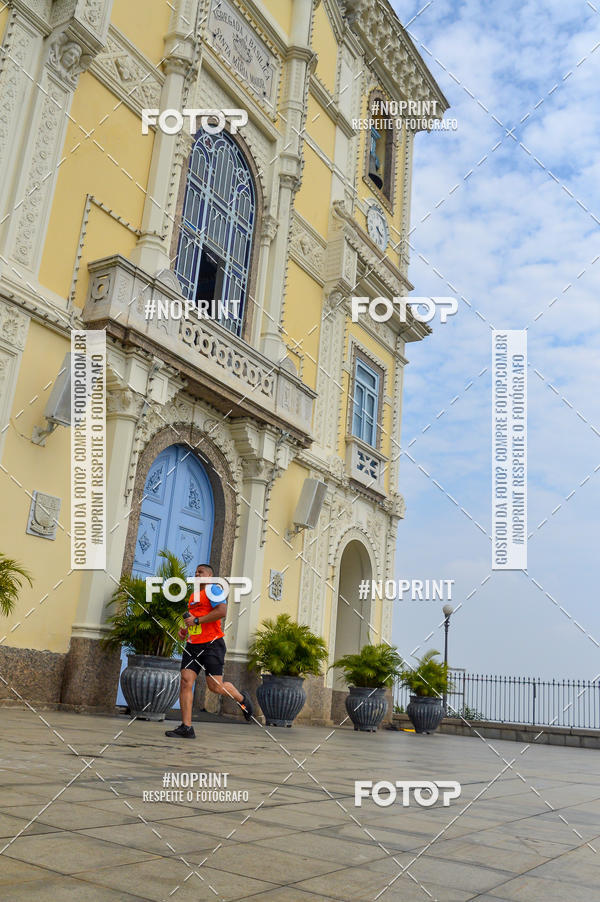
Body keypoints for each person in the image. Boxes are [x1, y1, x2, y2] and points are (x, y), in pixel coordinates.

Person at [165, 563, 253, 739]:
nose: (197, 574)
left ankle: (242, 699)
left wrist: (197, 621)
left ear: (210, 576)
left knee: (215, 687)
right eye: (196, 572)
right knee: (186, 681)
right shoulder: (193, 596)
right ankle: (186, 727)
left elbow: (222, 611)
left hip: (212, 644)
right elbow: (194, 620)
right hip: (193, 645)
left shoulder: (214, 590)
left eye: (201, 572)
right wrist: (185, 630)